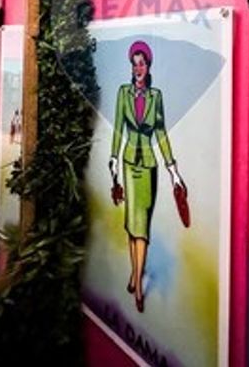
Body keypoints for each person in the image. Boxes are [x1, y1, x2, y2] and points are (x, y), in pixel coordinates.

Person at [109, 40, 185, 313]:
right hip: (129, 165)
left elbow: (161, 133)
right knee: (133, 225)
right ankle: (137, 278)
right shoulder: (123, 93)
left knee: (142, 227)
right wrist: (114, 158)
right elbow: (118, 128)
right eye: (134, 64)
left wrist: (173, 170)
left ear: (148, 66)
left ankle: (136, 281)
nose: (138, 68)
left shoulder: (156, 96)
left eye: (142, 64)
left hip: (149, 167)